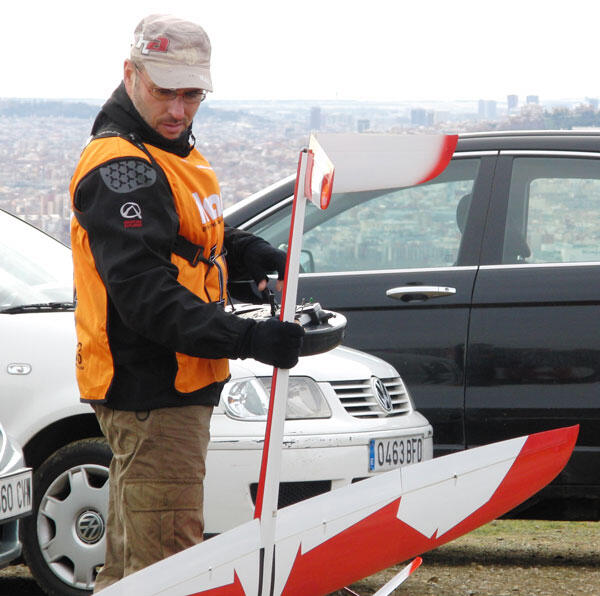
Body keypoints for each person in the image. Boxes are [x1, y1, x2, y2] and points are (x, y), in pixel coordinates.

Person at [69, 14, 304, 592]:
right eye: (164, 91)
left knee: (130, 571)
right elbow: (146, 297)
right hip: (154, 389)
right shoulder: (123, 168)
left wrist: (244, 253)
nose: (178, 109)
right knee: (169, 571)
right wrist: (248, 338)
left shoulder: (162, 149)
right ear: (130, 75)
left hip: (161, 389)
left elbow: (181, 233)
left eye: (192, 94)